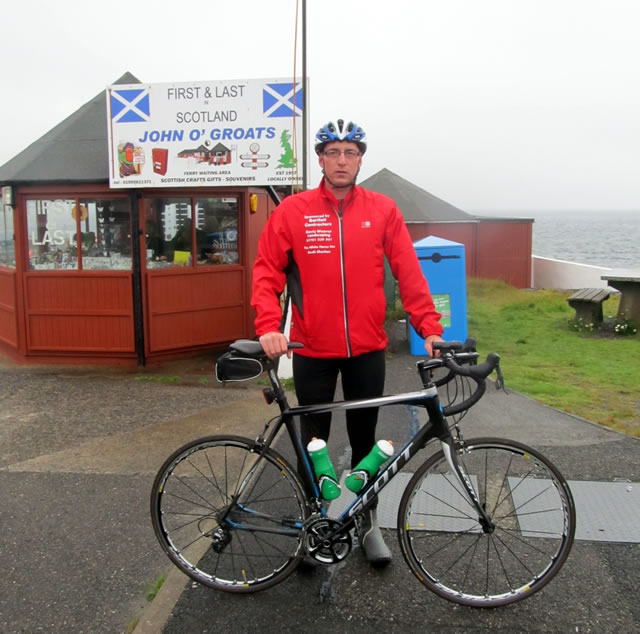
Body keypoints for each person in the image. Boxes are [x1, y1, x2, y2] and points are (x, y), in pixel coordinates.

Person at [251, 118, 444, 566]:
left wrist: (429, 327)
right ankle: (310, 527)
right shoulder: (294, 212)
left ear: (360, 159)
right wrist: (268, 324)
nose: (342, 160)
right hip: (311, 350)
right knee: (313, 445)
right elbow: (266, 272)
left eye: (350, 152)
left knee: (365, 444)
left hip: (367, 350)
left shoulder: (382, 210)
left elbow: (408, 271)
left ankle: (368, 524)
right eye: (333, 152)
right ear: (320, 159)